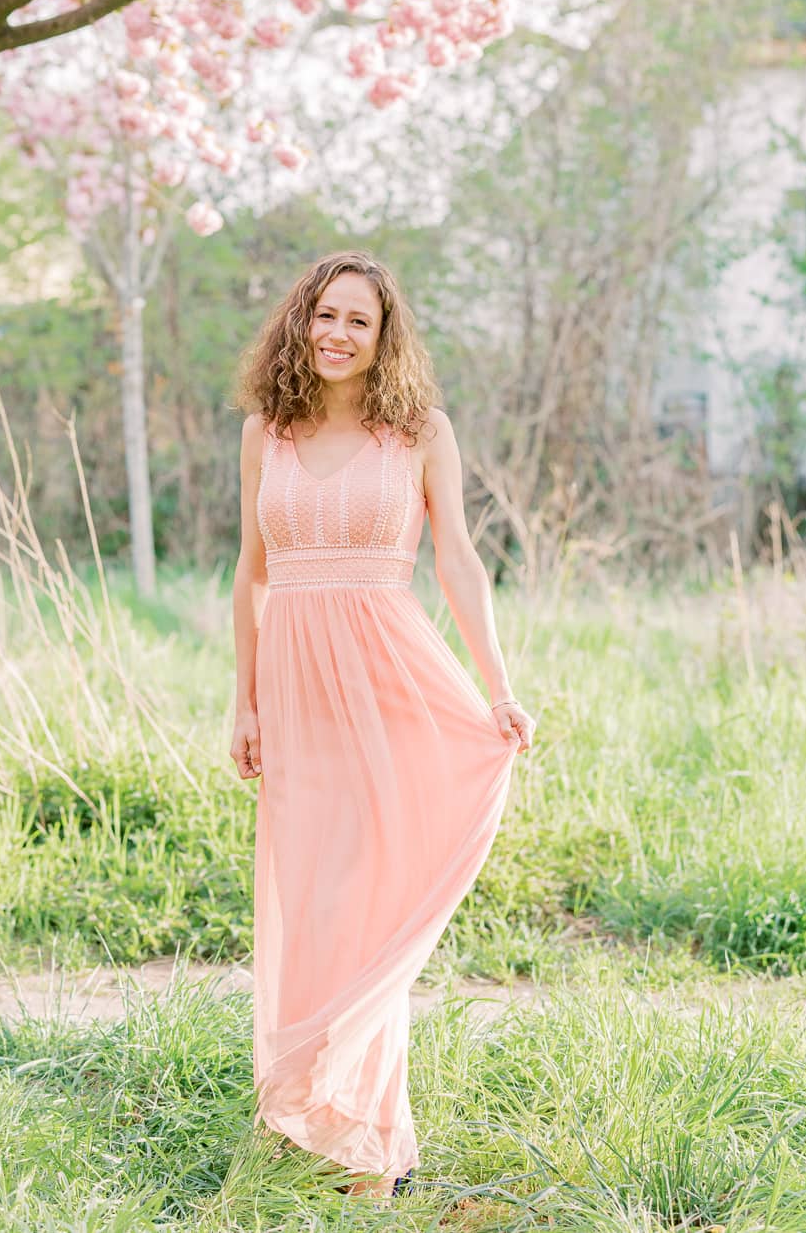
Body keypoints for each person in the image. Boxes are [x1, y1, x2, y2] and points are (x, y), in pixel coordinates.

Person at [230, 251, 536, 1199]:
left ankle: (371, 1145)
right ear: (301, 321)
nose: (336, 333)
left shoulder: (419, 430)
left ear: (384, 335)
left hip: (392, 682)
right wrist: (242, 699)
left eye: (358, 320)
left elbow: (457, 563)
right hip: (296, 692)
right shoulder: (265, 431)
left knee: (369, 912)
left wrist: (498, 686)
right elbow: (250, 571)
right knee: (314, 900)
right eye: (324, 314)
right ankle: (314, 1113)